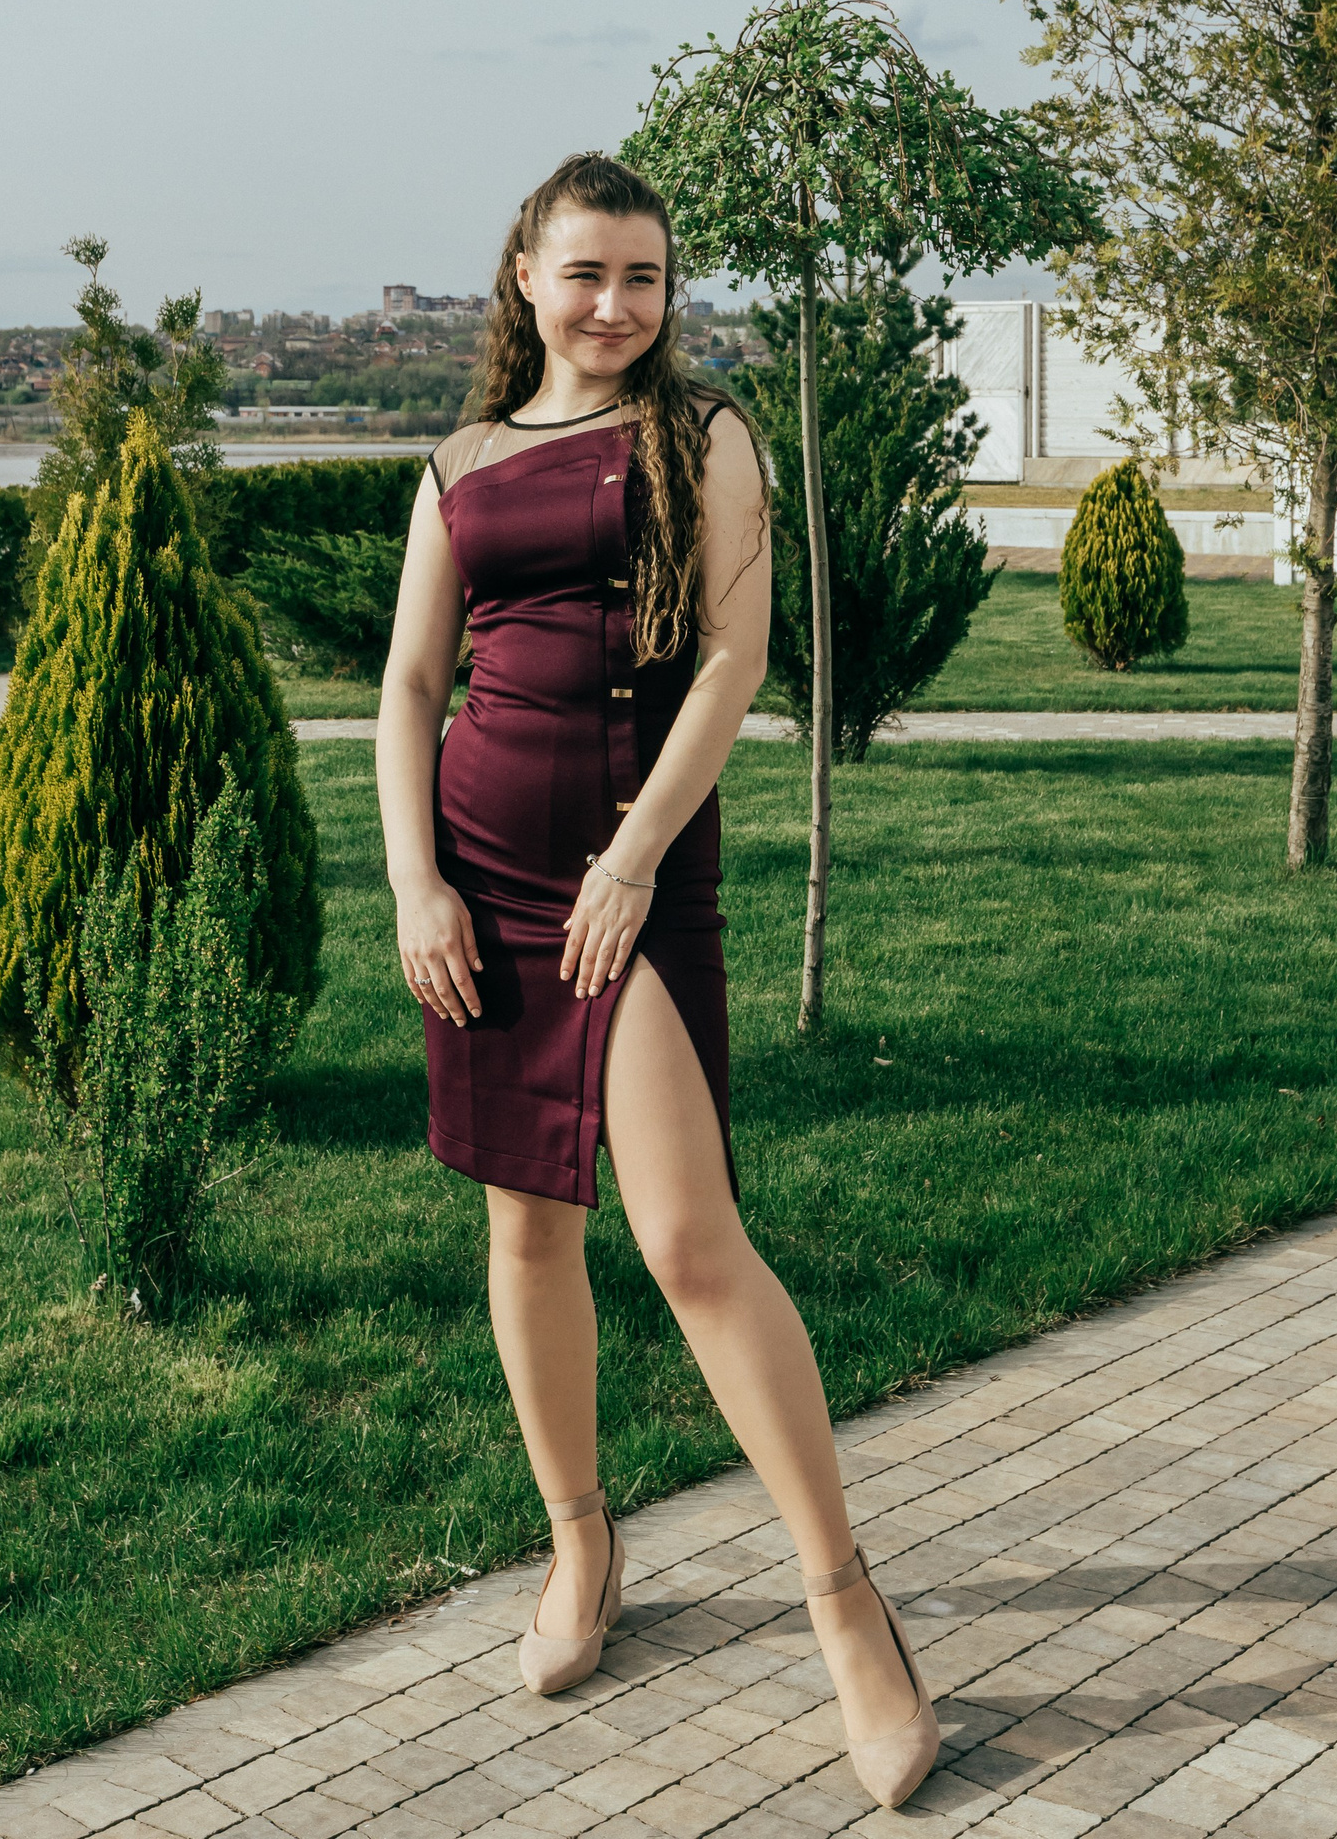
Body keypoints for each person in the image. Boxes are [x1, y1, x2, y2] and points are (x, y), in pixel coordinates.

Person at [375, 151, 940, 1810]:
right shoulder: (461, 461)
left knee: (691, 1242)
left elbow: (737, 662)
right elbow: (411, 685)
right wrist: (414, 881)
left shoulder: (703, 437)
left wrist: (630, 862)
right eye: (586, 273)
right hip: (479, 887)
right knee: (526, 1228)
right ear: (525, 279)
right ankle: (581, 1547)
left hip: (632, 876)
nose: (614, 305)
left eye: (643, 277)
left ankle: (850, 1609)